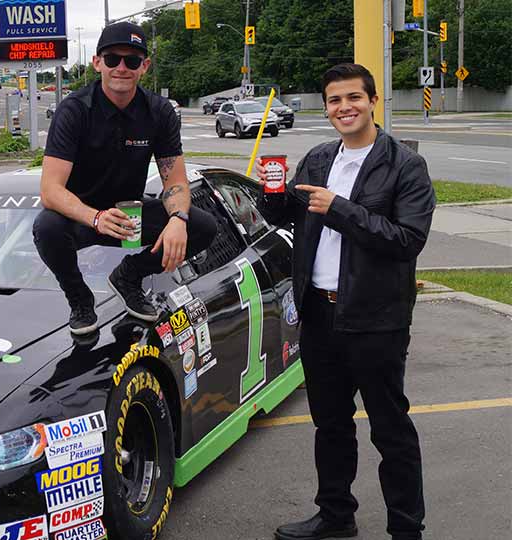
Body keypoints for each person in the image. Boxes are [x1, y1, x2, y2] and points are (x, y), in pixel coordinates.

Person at [255, 63, 435, 540]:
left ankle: (406, 529)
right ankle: (336, 516)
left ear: (372, 101)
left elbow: (407, 239)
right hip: (319, 312)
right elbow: (290, 217)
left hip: (377, 317)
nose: (344, 108)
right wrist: (270, 193)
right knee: (329, 425)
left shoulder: (405, 165)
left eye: (353, 97)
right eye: (334, 100)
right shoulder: (317, 159)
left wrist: (341, 208)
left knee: (390, 429)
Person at [34, 21, 217, 335]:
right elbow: (50, 190)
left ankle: (129, 276)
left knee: (202, 226)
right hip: (83, 216)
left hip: (130, 215)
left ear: (144, 66)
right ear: (97, 63)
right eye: (112, 59)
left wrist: (178, 218)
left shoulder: (159, 112)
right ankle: (79, 299)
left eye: (132, 60)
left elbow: (176, 181)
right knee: (46, 226)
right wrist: (95, 218)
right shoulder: (74, 111)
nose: (121, 67)